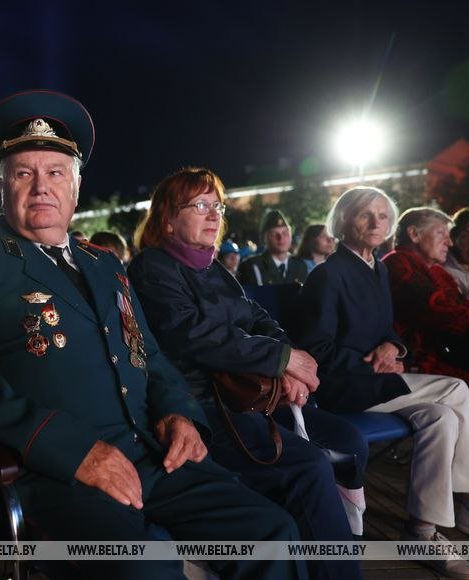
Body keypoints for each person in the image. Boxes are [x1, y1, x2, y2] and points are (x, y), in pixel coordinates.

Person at [0, 90, 304, 580]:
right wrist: (76, 452)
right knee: (148, 568)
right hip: (50, 467)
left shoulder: (105, 263)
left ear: (76, 186)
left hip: (148, 450)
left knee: (272, 532)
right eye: (23, 174)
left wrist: (179, 413)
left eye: (55, 173)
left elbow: (149, 354)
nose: (41, 188)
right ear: (2, 186)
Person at [128, 167, 366, 580]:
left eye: (217, 206)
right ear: (167, 218)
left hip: (253, 393)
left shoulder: (213, 267)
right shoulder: (153, 267)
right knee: (307, 466)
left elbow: (257, 317)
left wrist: (286, 362)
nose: (213, 215)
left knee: (347, 440)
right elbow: (194, 335)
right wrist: (280, 360)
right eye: (199, 205)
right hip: (203, 404)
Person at [293, 186, 469, 580]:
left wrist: (392, 347)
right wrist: (370, 362)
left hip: (376, 382)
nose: (376, 222)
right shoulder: (327, 275)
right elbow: (314, 350)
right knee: (455, 389)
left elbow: (388, 329)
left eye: (383, 215)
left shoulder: (377, 268)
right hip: (343, 386)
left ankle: (421, 531)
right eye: (365, 214)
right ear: (344, 220)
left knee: (441, 419)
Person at [381, 207, 469, 404]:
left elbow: (466, 308)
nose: (450, 242)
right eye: (441, 233)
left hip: (444, 358)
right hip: (418, 364)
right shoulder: (398, 264)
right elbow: (443, 312)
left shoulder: (437, 272)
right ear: (414, 234)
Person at [238, 210, 308, 286]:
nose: (281, 238)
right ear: (264, 238)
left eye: (285, 233)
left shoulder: (300, 266)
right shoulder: (251, 267)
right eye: (274, 234)